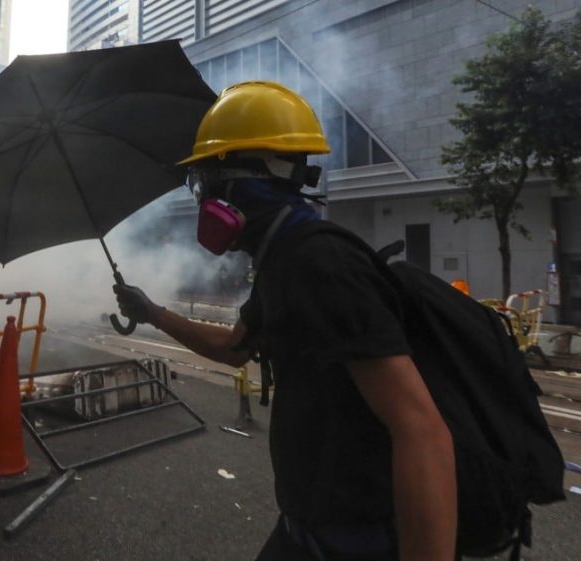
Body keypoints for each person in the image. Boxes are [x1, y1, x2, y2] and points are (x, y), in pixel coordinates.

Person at [113, 81, 457, 561]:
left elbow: (421, 429)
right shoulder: (282, 256)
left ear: (243, 178)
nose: (199, 199)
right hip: (306, 530)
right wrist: (151, 312)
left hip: (354, 544)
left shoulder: (320, 263)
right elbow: (235, 347)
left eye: (203, 183)